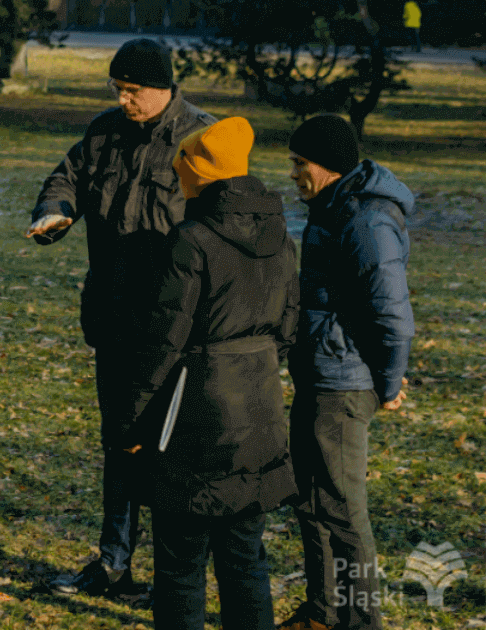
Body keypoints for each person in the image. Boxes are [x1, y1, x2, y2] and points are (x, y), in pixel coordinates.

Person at [27, 38, 214, 599]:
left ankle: (176, 575)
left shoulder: (201, 137)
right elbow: (67, 178)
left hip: (176, 328)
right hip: (113, 318)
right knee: (121, 444)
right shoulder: (103, 131)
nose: (125, 99)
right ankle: (114, 564)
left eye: (133, 91)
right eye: (119, 90)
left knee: (173, 452)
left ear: (163, 88)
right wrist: (54, 211)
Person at [114, 116, 299, 630]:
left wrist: (131, 425)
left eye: (183, 170)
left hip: (195, 418)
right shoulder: (281, 236)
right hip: (260, 409)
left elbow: (163, 342)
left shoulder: (191, 240)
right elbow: (288, 325)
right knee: (246, 558)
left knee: (179, 563)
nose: (177, 179)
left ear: (200, 174)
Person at [280, 115, 414, 630]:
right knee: (311, 501)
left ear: (328, 166)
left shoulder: (366, 221)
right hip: (318, 374)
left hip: (344, 383)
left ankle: (361, 621)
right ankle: (323, 610)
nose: (293, 173)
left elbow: (393, 314)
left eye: (299, 163)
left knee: (344, 510)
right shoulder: (331, 208)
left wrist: (388, 381)